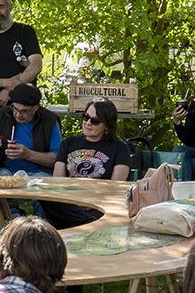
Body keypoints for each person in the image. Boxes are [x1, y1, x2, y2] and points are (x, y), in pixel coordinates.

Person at [40, 98, 129, 233]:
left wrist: (92, 200)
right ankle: (86, 223)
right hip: (69, 201)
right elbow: (57, 182)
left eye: (95, 121)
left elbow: (116, 187)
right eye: (86, 117)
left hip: (99, 204)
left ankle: (80, 223)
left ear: (108, 125)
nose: (88, 123)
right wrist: (73, 199)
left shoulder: (120, 147)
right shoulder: (68, 143)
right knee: (43, 193)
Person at [0, 83, 61, 177]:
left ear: (36, 107)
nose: (18, 115)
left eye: (24, 111)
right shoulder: (3, 114)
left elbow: (57, 158)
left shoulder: (49, 120)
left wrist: (29, 155)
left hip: (38, 172)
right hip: (6, 169)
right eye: (15, 109)